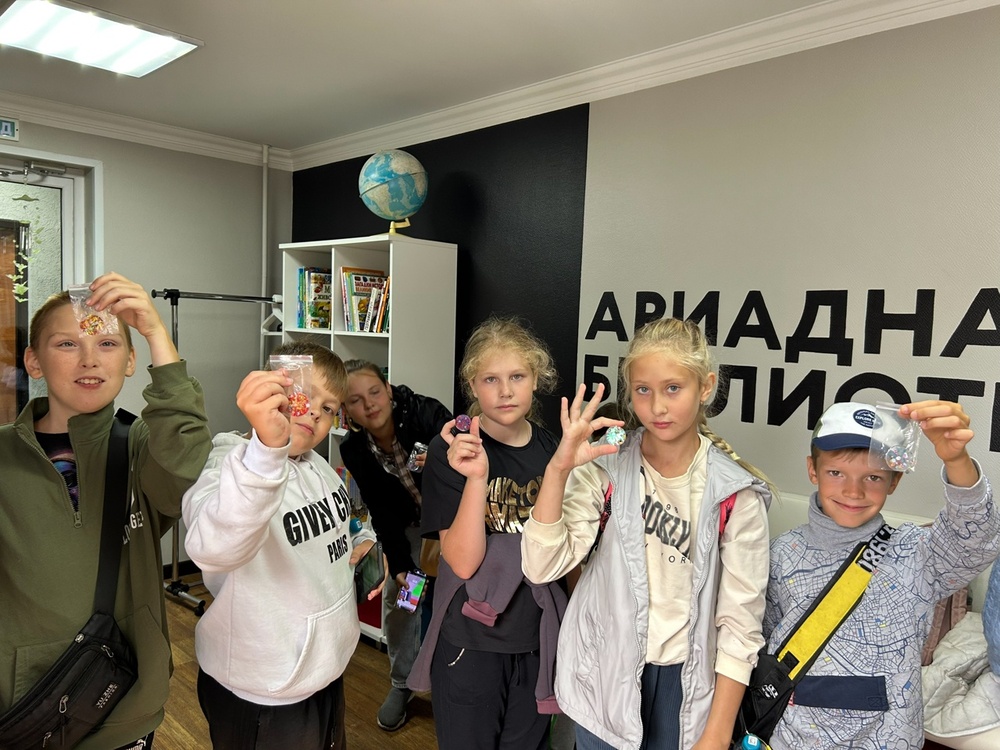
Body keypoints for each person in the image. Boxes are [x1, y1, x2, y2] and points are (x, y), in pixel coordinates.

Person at [522, 317, 773, 750]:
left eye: (673, 388)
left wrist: (716, 733)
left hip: (684, 684)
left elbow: (740, 623)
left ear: (706, 387)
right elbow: (541, 566)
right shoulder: (605, 466)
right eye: (643, 390)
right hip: (605, 674)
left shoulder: (736, 494)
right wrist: (559, 469)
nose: (657, 407)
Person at [0, 273, 212, 750]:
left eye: (109, 343)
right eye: (67, 344)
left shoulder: (143, 448)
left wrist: (156, 331)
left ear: (132, 360)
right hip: (21, 710)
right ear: (34, 361)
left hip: (122, 700)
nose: (90, 359)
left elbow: (185, 467)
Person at [762, 399, 1000, 749]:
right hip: (790, 737)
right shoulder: (782, 553)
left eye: (873, 477)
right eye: (836, 473)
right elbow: (767, 649)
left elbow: (976, 541)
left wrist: (956, 460)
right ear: (813, 470)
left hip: (889, 738)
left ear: (894, 480)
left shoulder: (917, 553)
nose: (853, 491)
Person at [182, 341, 381, 750]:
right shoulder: (231, 466)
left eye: (329, 408)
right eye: (307, 396)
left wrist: (363, 541)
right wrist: (267, 452)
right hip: (263, 691)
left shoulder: (319, 466)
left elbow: (342, 522)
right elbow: (212, 546)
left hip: (324, 672)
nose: (316, 413)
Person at [407, 316, 564, 750]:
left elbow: (560, 550)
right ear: (473, 386)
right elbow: (462, 562)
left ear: (536, 380)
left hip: (535, 641)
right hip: (470, 643)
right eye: (491, 379)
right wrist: (477, 477)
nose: (505, 390)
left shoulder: (551, 450)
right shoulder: (450, 450)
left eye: (517, 376)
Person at [339, 359, 452, 731]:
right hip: (413, 536)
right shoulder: (356, 449)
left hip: (453, 528)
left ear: (388, 390)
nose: (369, 404)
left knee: (462, 601)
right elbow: (381, 509)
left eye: (374, 392)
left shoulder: (424, 414)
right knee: (404, 601)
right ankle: (402, 683)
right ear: (346, 409)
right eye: (356, 400)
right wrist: (400, 563)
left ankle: (456, 684)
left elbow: (464, 454)